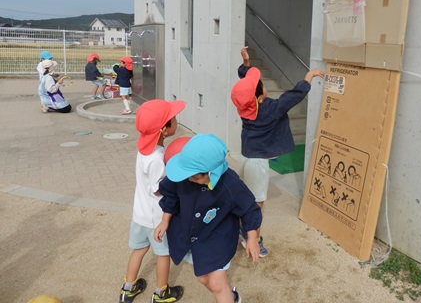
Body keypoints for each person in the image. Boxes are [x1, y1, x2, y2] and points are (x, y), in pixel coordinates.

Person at [230, 46, 324, 257]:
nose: (263, 86)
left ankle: (242, 229)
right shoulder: (269, 110)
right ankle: (251, 238)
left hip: (246, 158)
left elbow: (246, 88)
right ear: (260, 97)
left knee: (246, 197)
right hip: (257, 163)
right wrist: (308, 77)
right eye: (261, 86)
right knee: (256, 204)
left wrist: (246, 64)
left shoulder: (245, 108)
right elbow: (291, 97)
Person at [155, 133, 262, 303]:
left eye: (195, 177)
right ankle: (229, 295)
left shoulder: (230, 184)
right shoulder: (185, 174)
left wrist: (252, 237)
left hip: (217, 239)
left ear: (212, 173)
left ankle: (229, 298)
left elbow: (249, 209)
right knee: (203, 278)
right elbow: (171, 196)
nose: (189, 179)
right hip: (192, 238)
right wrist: (165, 220)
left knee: (217, 284)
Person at [119, 99, 186, 303]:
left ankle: (128, 289)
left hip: (139, 213)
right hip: (155, 218)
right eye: (173, 119)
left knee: (138, 250)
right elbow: (158, 191)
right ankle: (161, 292)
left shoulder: (143, 150)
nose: (176, 121)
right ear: (164, 129)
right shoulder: (158, 158)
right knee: (163, 254)